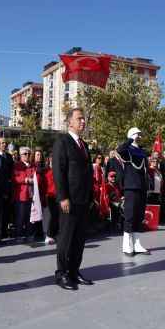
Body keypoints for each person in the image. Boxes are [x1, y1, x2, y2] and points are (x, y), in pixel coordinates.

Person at [52, 107, 94, 290]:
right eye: (79, 118)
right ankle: (61, 274)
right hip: (69, 200)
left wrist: (91, 197)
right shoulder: (62, 141)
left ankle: (74, 271)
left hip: (84, 200)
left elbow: (88, 173)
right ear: (70, 122)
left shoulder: (83, 144)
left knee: (79, 239)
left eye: (84, 119)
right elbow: (58, 171)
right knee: (66, 239)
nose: (83, 121)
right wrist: (63, 197)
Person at [116, 127, 151, 256]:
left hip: (141, 186)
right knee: (129, 216)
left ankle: (137, 244)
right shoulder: (128, 149)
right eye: (138, 134)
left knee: (139, 216)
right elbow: (119, 150)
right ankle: (127, 246)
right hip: (131, 186)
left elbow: (145, 169)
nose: (140, 136)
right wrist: (130, 140)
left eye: (140, 134)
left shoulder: (141, 151)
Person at [12, 147, 36, 242]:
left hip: (32, 195)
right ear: (20, 155)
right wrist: (26, 180)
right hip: (21, 195)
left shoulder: (33, 166)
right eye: (25, 154)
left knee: (30, 217)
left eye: (29, 154)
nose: (27, 155)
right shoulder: (17, 165)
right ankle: (19, 235)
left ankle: (29, 234)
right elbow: (15, 178)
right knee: (20, 217)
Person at [43, 155, 58, 244]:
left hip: (58, 196)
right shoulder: (46, 171)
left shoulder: (59, 170)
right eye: (51, 159)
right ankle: (48, 235)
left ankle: (54, 234)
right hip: (50, 196)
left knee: (57, 216)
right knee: (52, 216)